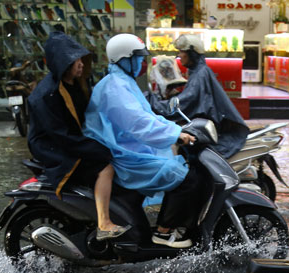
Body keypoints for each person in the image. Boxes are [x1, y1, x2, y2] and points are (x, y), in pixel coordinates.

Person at [83, 33, 202, 249]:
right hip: (123, 154)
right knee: (184, 177)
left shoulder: (123, 81)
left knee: (179, 167)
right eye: (137, 58)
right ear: (123, 59)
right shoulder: (115, 87)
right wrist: (174, 134)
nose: (142, 63)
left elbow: (147, 116)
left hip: (131, 148)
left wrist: (174, 129)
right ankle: (164, 233)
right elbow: (137, 123)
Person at [27, 32, 127, 241]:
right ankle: (104, 223)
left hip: (71, 140)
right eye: (75, 61)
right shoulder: (48, 94)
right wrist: (96, 148)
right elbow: (59, 136)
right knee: (105, 168)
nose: (81, 64)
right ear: (62, 63)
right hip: (54, 147)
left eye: (81, 59)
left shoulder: (76, 84)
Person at [149, 34, 249, 159]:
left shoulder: (200, 75)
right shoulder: (199, 71)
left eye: (182, 52)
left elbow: (186, 101)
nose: (179, 56)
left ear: (192, 53)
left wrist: (155, 104)